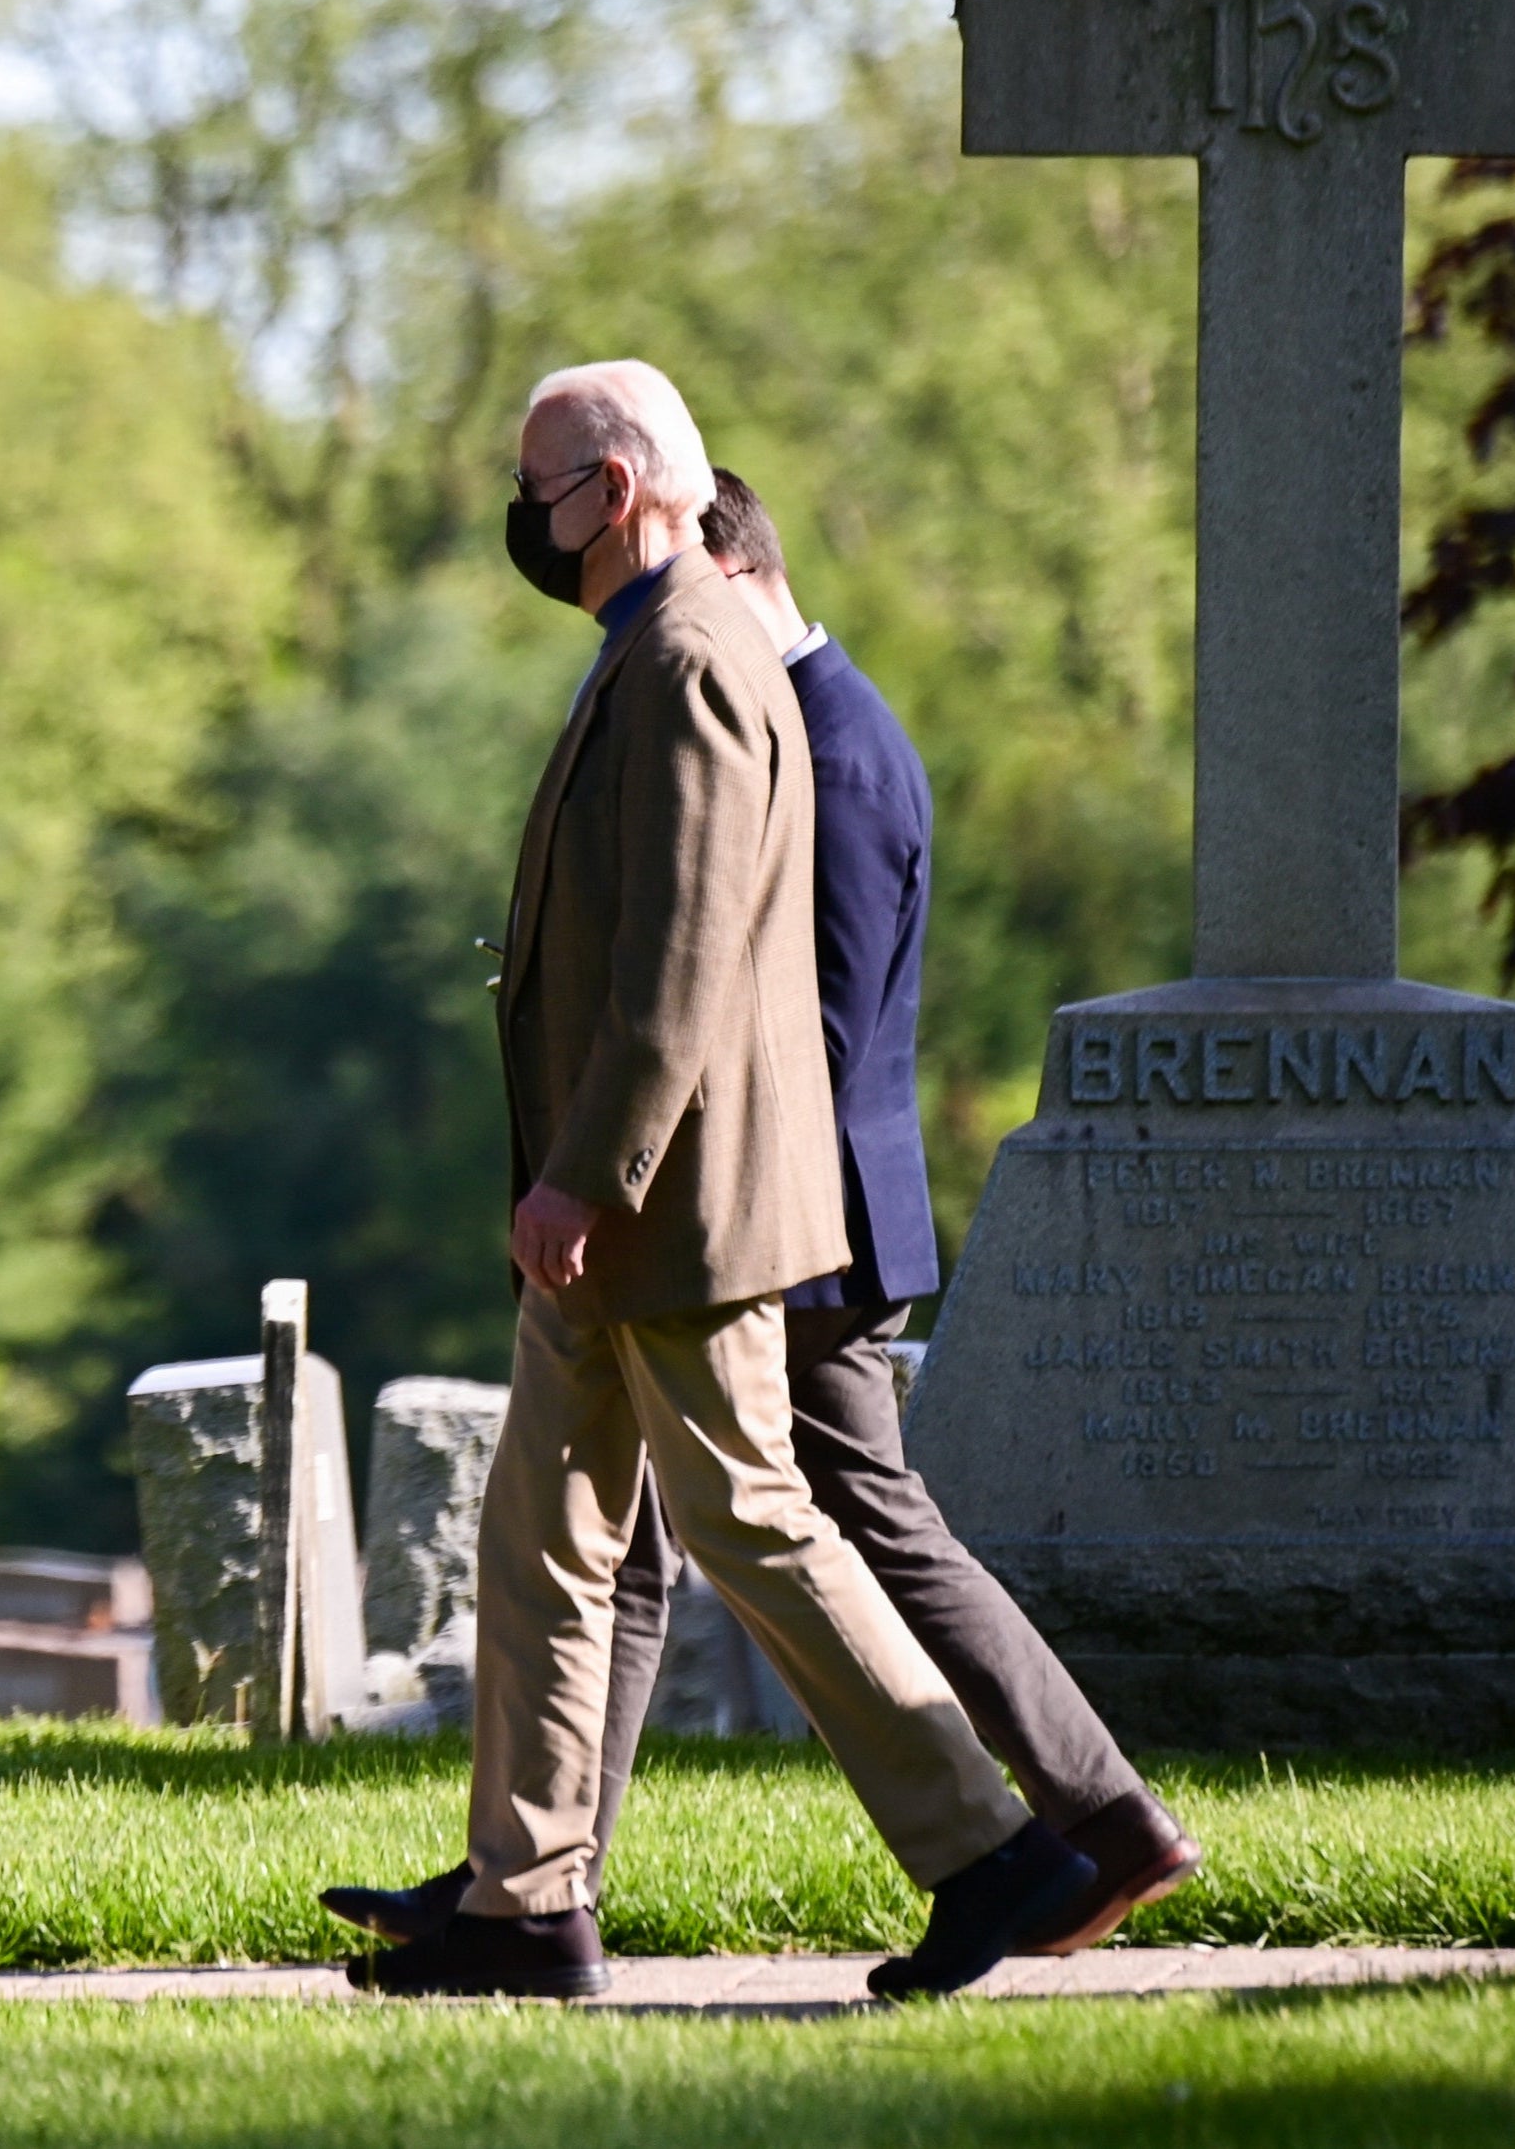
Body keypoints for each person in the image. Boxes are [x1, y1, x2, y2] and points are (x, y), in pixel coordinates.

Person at [326, 468, 1202, 1975]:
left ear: (622, 499)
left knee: (783, 1522)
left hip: (735, 1211)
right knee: (566, 1531)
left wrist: (606, 1167)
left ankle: (1025, 1843)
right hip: (657, 1203)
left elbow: (751, 1002)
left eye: (538, 490)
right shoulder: (688, 661)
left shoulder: (726, 681)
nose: (523, 526)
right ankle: (521, 1895)